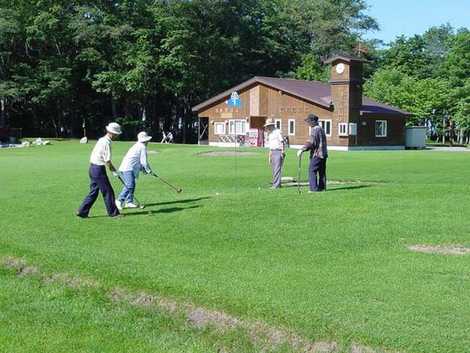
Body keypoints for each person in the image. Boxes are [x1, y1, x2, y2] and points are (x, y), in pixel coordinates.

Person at [77, 122, 122, 218]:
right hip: (98, 169)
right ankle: (113, 213)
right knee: (108, 191)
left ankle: (82, 211)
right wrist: (114, 172)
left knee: (94, 192)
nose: (117, 136)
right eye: (116, 134)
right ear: (112, 133)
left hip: (92, 168)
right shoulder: (106, 143)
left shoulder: (102, 140)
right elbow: (108, 161)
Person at [115, 131, 153, 210]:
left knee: (132, 184)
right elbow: (144, 162)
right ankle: (119, 201)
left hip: (127, 167)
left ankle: (129, 202)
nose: (148, 142)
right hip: (127, 168)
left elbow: (138, 161)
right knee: (130, 185)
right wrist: (148, 170)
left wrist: (144, 169)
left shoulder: (137, 145)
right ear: (145, 140)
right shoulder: (142, 147)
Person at [297, 114, 328, 192]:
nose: (308, 123)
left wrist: (302, 149)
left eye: (309, 121)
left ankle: (313, 189)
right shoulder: (321, 128)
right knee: (322, 171)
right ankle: (322, 188)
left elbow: (311, 142)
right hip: (323, 154)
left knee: (312, 170)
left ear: (313, 121)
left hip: (317, 154)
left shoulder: (315, 129)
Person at [264, 118, 285, 189]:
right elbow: (270, 146)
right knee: (274, 169)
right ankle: (277, 184)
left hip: (278, 151)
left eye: (268, 126)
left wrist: (283, 151)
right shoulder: (270, 134)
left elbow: (282, 142)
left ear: (271, 125)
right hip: (272, 152)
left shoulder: (278, 132)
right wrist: (269, 156)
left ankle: (276, 185)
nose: (267, 127)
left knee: (277, 169)